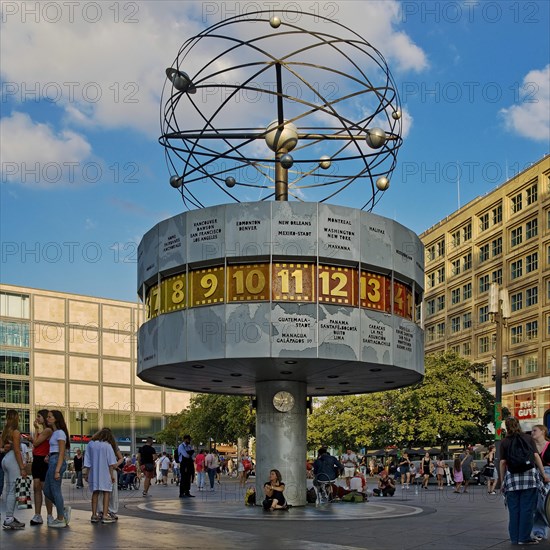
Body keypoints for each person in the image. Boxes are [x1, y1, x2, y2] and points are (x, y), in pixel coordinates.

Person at [500, 417, 550, 545]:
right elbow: (535, 456)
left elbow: (502, 462)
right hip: (529, 479)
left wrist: (502, 481)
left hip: (512, 480)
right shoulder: (528, 438)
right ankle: (524, 538)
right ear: (518, 425)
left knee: (514, 510)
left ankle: (514, 538)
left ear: (507, 427)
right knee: (527, 510)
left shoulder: (504, 441)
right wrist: (543, 474)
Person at [1, 409, 28, 530]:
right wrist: (22, 467)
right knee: (12, 489)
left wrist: (4, 449)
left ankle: (9, 517)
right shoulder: (16, 432)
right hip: (13, 460)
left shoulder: (5, 432)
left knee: (9, 489)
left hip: (5, 459)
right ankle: (9, 518)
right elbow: (17, 451)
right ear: (16, 418)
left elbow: (0, 448)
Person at [43, 410, 71, 528]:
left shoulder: (60, 433)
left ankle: (60, 518)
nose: (47, 419)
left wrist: (57, 470)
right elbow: (55, 450)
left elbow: (61, 453)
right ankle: (62, 509)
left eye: (50, 417)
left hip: (56, 463)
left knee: (55, 490)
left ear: (56, 419)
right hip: (53, 461)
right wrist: (49, 456)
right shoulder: (55, 433)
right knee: (46, 490)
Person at [84, 428, 118, 524]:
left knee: (95, 492)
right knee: (106, 493)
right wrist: (111, 476)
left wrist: (87, 473)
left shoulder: (91, 444)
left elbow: (88, 460)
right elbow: (111, 463)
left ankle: (94, 515)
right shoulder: (107, 446)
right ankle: (105, 515)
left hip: (94, 473)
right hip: (105, 473)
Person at [30, 409, 53, 526]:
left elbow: (35, 443)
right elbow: (35, 443)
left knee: (45, 488)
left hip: (43, 460)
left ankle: (49, 514)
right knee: (36, 487)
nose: (37, 418)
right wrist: (36, 430)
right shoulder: (41, 431)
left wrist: (36, 430)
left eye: (39, 416)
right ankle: (37, 514)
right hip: (37, 459)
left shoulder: (48, 430)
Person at [531, 424, 550, 541]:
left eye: (534, 430)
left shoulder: (549, 445)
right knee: (538, 505)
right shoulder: (531, 446)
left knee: (546, 504)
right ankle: (539, 532)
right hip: (535, 475)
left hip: (548, 474)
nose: (532, 433)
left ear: (542, 431)